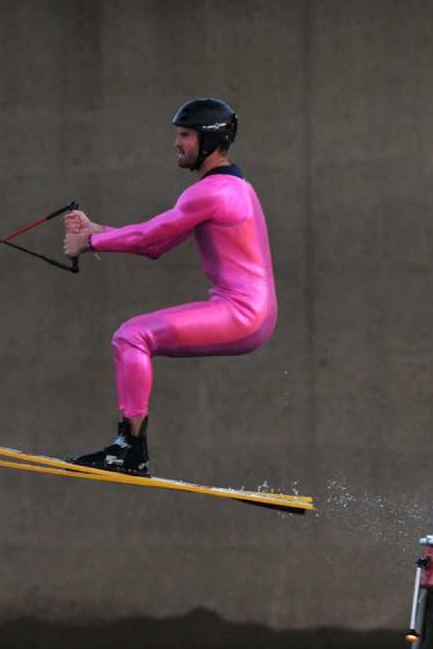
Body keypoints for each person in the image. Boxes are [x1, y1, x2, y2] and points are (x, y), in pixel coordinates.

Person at [62, 98, 277, 477]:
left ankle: (130, 449)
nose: (177, 143)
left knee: (132, 337)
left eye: (185, 136)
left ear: (209, 141)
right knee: (133, 337)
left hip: (241, 313)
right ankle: (130, 449)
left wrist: (89, 243)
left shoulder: (210, 192)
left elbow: (147, 238)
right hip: (253, 313)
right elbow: (156, 245)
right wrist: (98, 231)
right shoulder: (232, 188)